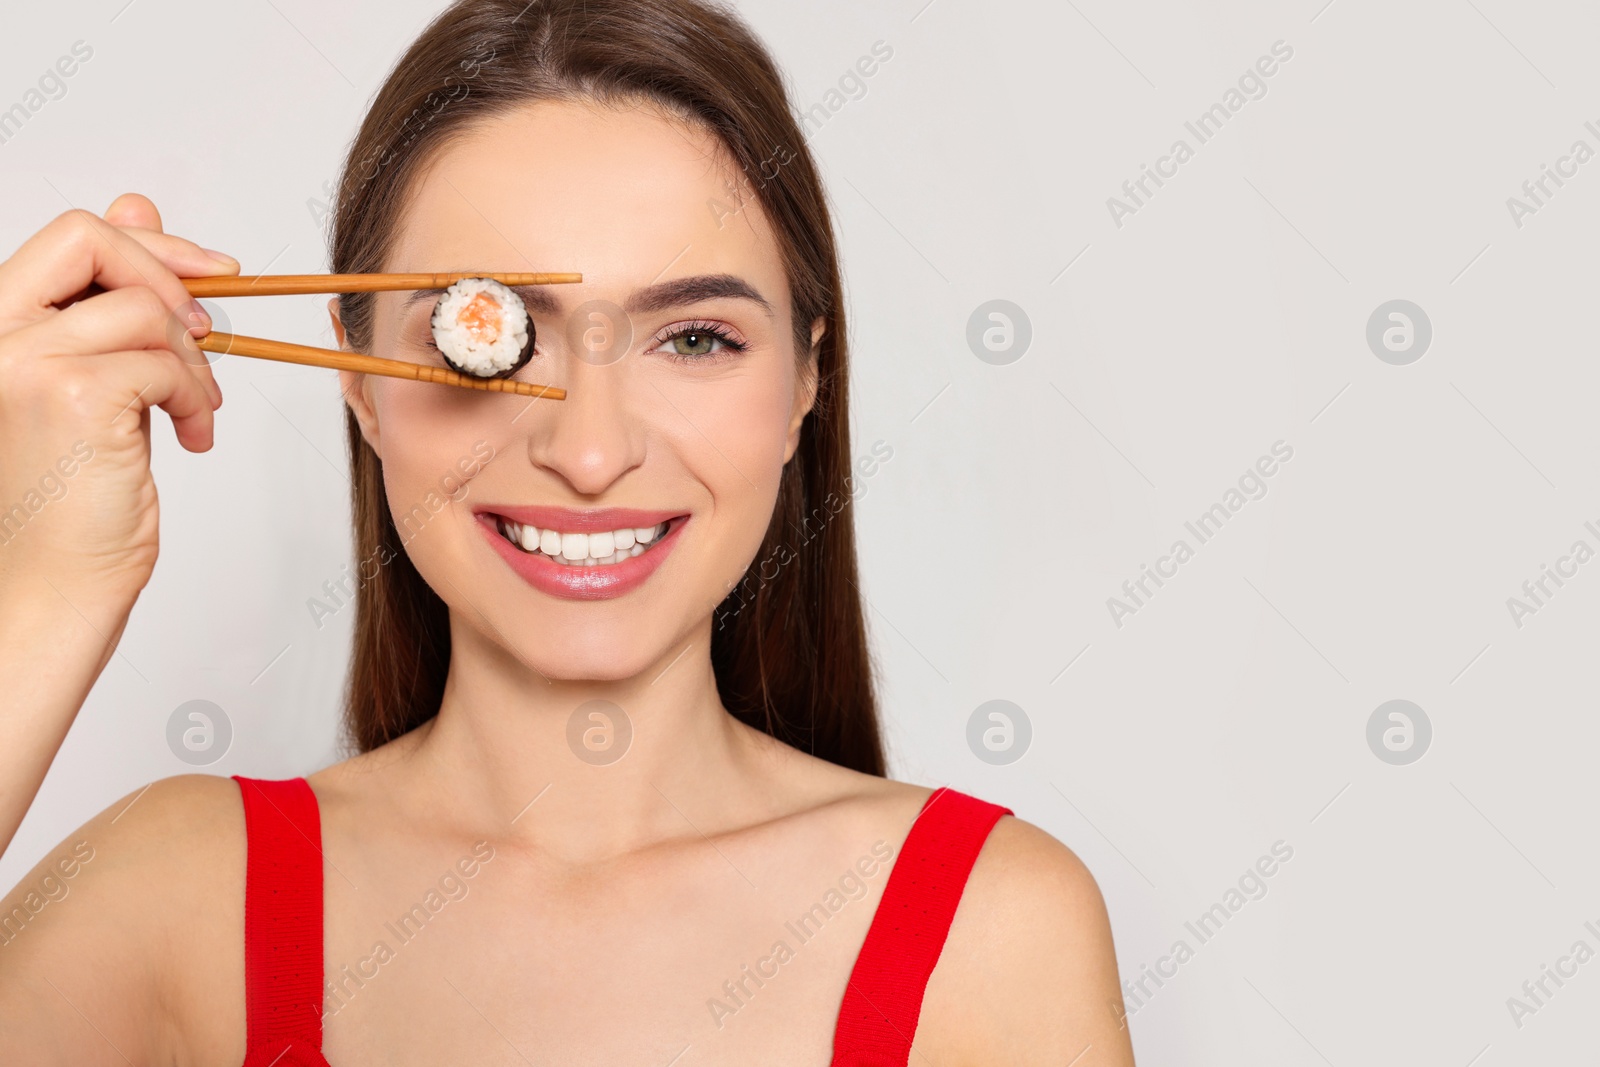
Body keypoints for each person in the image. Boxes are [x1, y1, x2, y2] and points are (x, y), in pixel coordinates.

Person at [0, 1, 1136, 1062]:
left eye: (693, 339)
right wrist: (48, 585)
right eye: (480, 336)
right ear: (358, 386)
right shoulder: (171, 897)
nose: (589, 454)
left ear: (806, 381)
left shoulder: (991, 930)